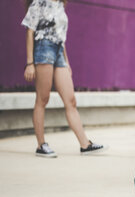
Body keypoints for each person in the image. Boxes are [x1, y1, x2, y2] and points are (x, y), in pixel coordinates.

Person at [22, 0, 106, 158]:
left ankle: (85, 144)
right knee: (42, 98)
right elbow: (29, 31)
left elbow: (61, 36)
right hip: (43, 48)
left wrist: (66, 62)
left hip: (59, 51)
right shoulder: (40, 2)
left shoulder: (60, 4)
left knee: (71, 100)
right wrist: (30, 63)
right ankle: (41, 145)